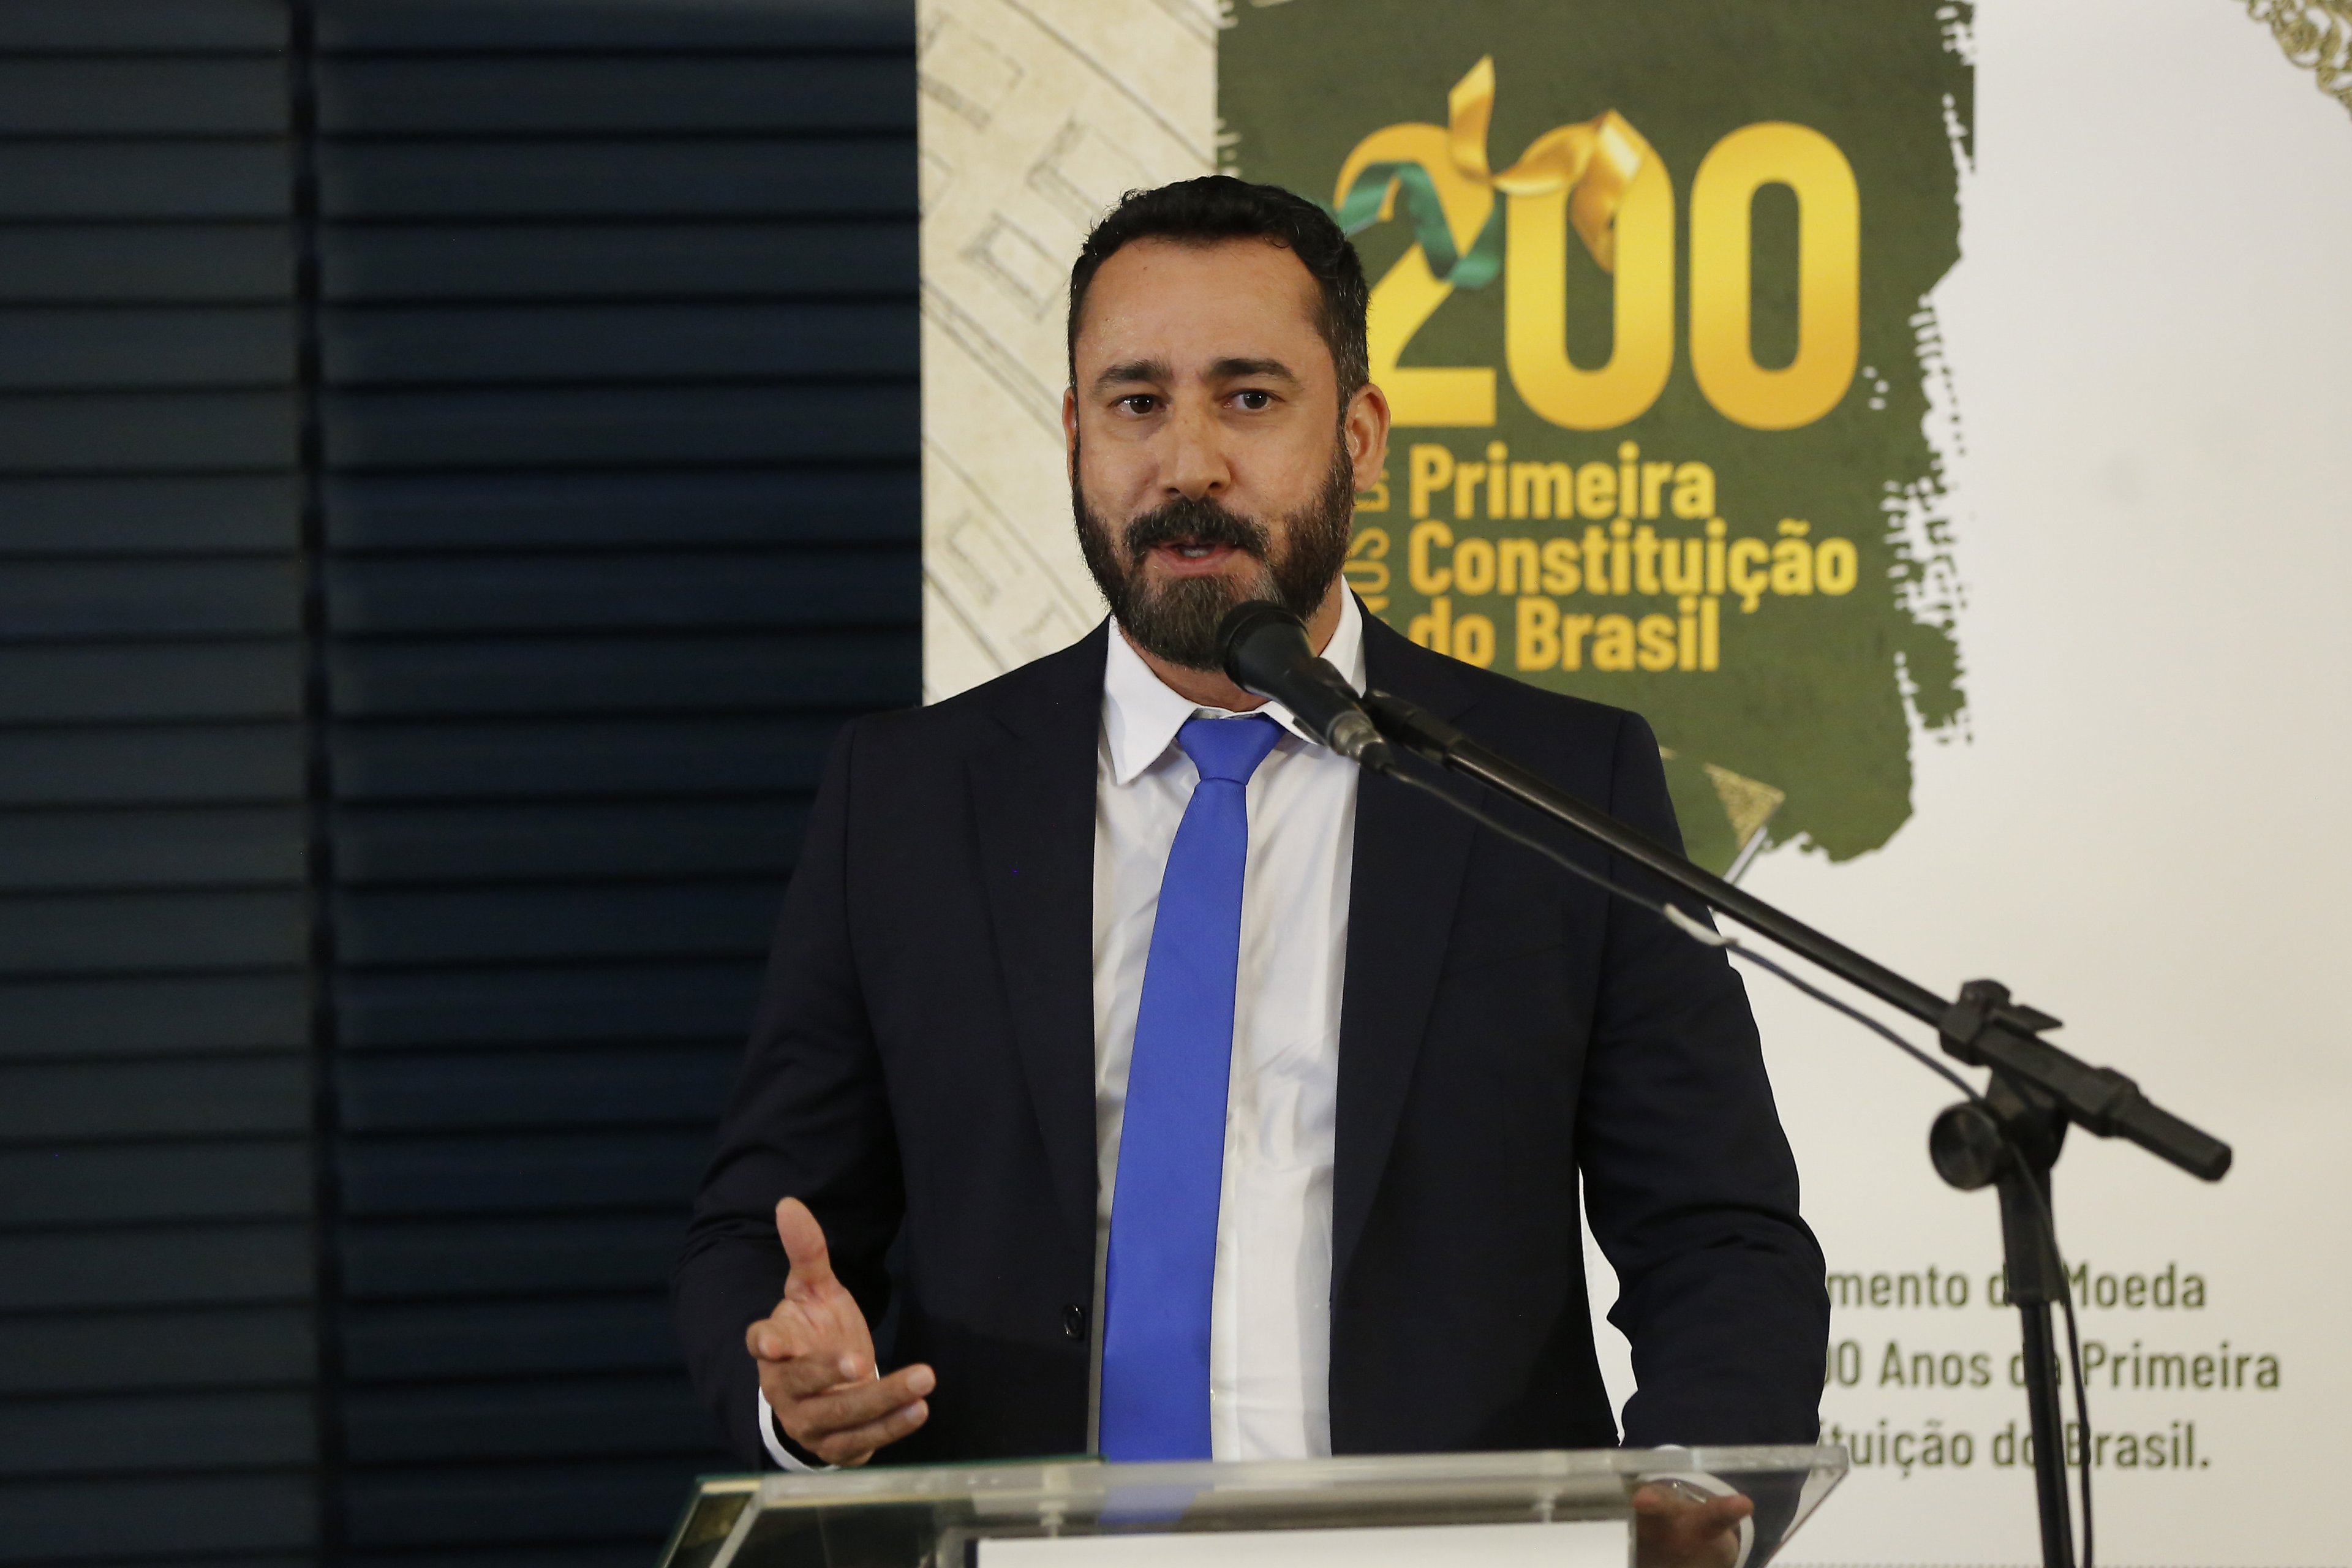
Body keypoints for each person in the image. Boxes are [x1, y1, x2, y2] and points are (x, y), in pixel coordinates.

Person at [675, 178, 1827, 1532]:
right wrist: (792, 1396)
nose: (1188, 467)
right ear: (1072, 433)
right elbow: (762, 1227)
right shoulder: (913, 796)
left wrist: (1700, 1487)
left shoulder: (1552, 786)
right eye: (1136, 401)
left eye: (1249, 397)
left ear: (1360, 434)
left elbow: (1718, 1234)